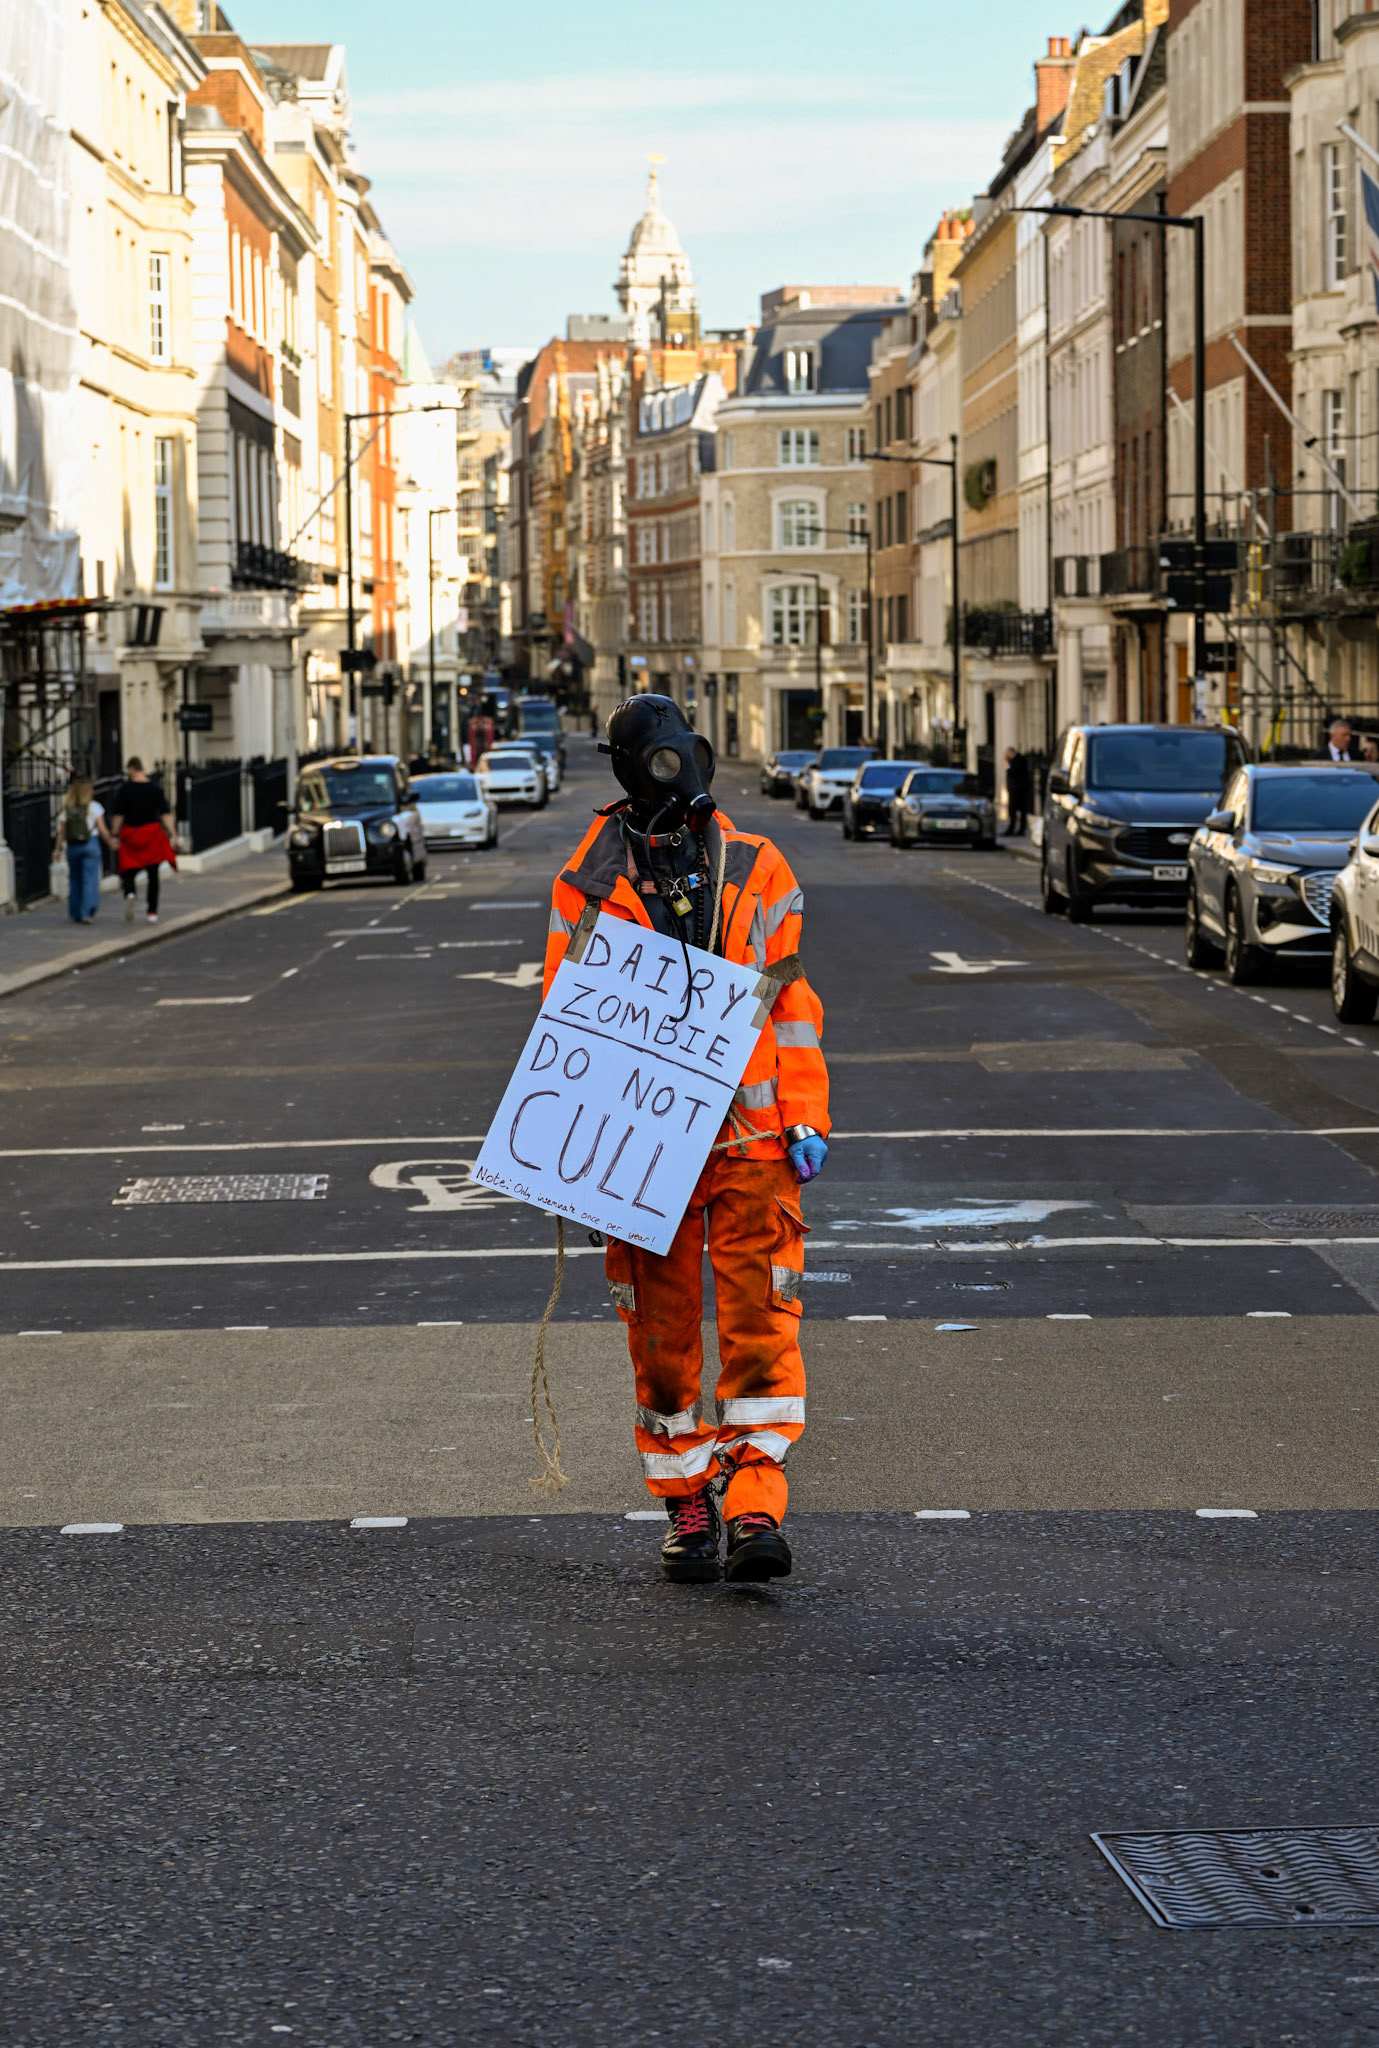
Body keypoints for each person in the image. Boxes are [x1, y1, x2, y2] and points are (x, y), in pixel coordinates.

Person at [543, 695, 830, 1586]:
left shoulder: (755, 864)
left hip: (750, 1140)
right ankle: (687, 1507)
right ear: (631, 769)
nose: (676, 770)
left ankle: (753, 1508)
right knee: (662, 1348)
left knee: (760, 1330)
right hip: (643, 1147)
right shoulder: (587, 882)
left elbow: (790, 1001)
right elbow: (569, 1019)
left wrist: (806, 1112)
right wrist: (580, 1158)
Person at [109, 757, 177, 923]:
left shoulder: (126, 789)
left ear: (132, 769)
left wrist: (114, 834)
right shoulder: (155, 788)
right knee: (153, 874)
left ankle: (130, 893)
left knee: (128, 869)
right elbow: (165, 813)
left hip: (132, 834)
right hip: (151, 833)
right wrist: (174, 834)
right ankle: (152, 911)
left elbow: (119, 814)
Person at [52, 775, 114, 923]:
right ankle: (87, 911)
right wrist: (110, 841)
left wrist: (57, 849)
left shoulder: (68, 809)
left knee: (74, 878)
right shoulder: (94, 807)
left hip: (73, 846)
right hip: (90, 843)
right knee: (90, 879)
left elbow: (61, 832)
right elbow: (102, 828)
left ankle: (75, 911)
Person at [1003, 745, 1032, 837]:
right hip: (1018, 789)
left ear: (1010, 753)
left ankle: (1017, 829)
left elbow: (1012, 772)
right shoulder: (1018, 759)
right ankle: (1016, 828)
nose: (1005, 755)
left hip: (1018, 790)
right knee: (1016, 810)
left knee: (1015, 810)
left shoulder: (1018, 760)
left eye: (1007, 753)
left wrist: (1007, 765)